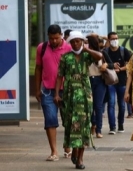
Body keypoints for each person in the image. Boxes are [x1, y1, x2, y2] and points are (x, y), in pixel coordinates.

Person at [55, 30, 102, 169]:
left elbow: (99, 56)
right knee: (70, 124)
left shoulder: (87, 56)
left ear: (82, 42)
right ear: (69, 43)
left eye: (78, 41)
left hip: (85, 95)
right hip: (69, 95)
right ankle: (74, 150)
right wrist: (57, 93)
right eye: (73, 41)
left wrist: (86, 48)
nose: (75, 44)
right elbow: (59, 76)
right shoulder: (65, 57)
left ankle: (80, 158)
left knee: (83, 126)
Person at [34, 24, 72, 161]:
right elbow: (38, 68)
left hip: (66, 90)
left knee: (68, 120)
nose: (54, 41)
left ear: (61, 35)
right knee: (50, 120)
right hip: (47, 91)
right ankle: (54, 151)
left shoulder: (69, 48)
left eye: (56, 38)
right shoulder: (42, 48)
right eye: (51, 38)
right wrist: (37, 89)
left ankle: (67, 146)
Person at [105, 31, 132, 133]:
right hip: (110, 81)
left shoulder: (123, 50)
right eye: (112, 39)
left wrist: (120, 69)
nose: (115, 41)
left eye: (116, 38)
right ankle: (112, 127)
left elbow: (130, 64)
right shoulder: (105, 52)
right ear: (109, 40)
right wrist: (111, 66)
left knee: (121, 104)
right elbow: (102, 65)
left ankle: (121, 124)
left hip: (122, 81)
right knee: (111, 103)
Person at [86, 35, 108, 138]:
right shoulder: (84, 54)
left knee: (98, 106)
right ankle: (93, 123)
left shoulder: (102, 53)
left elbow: (111, 64)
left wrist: (106, 65)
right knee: (89, 106)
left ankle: (98, 130)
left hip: (100, 81)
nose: (85, 45)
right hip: (88, 80)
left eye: (87, 43)